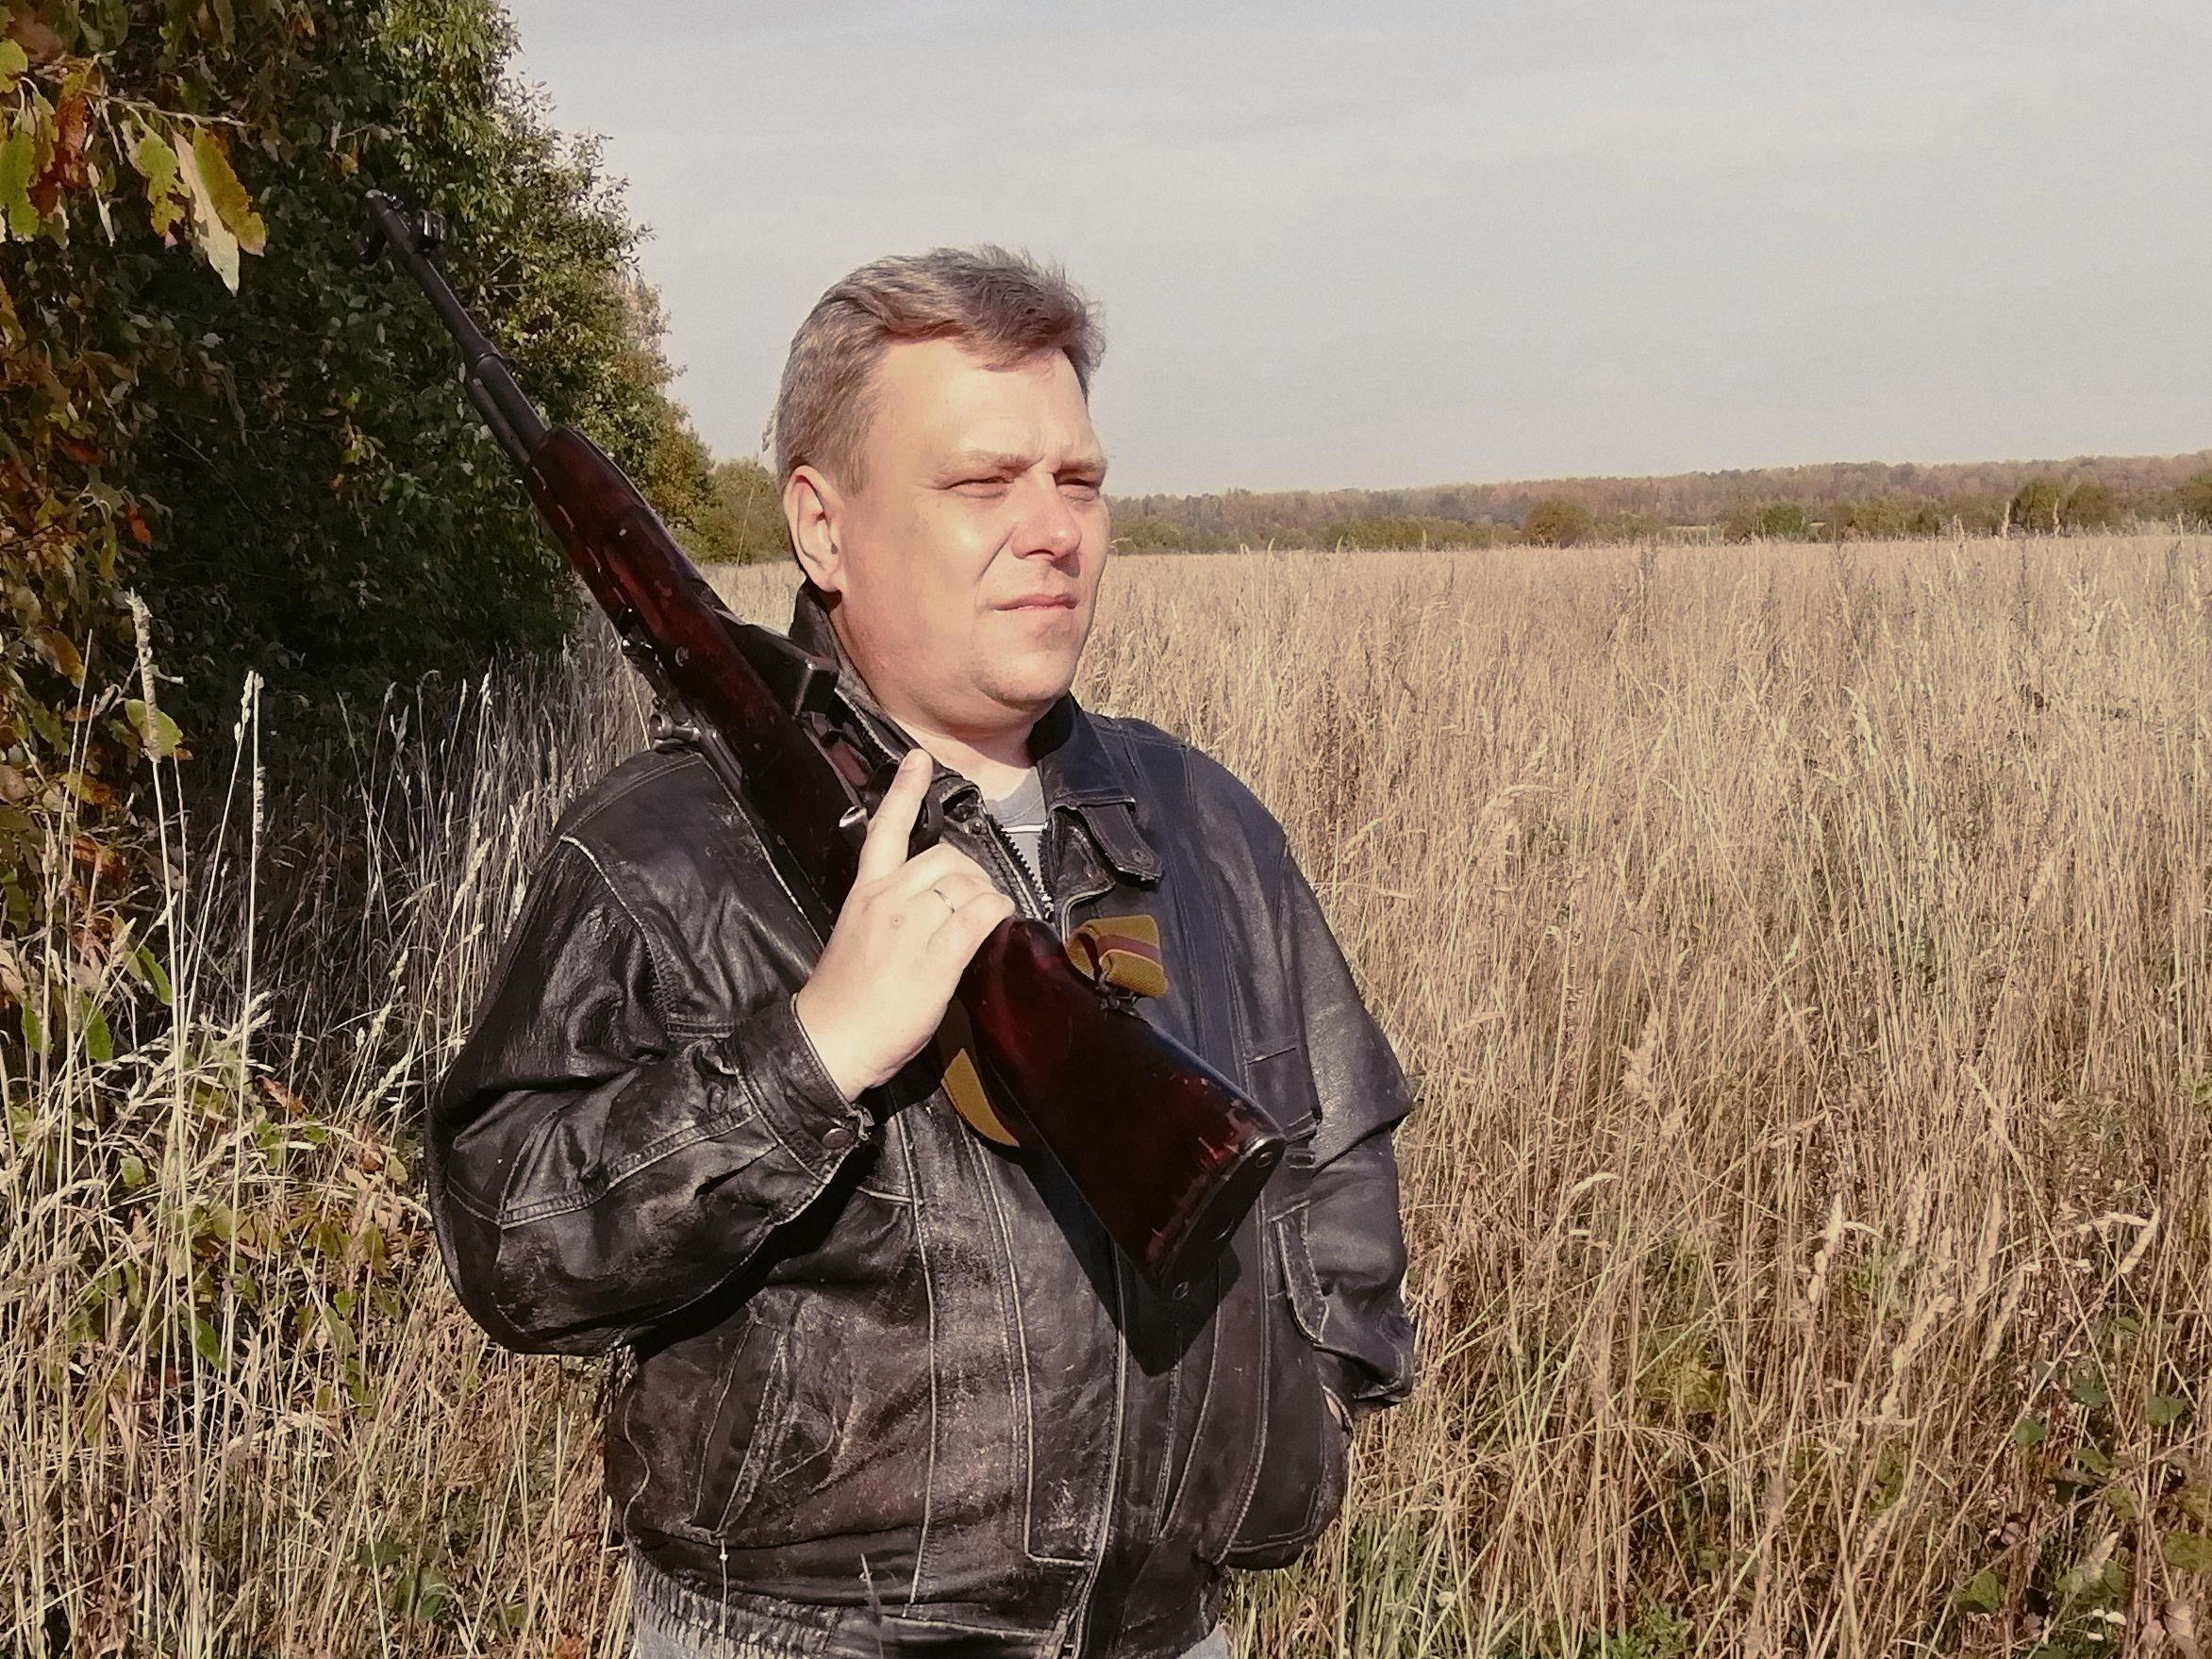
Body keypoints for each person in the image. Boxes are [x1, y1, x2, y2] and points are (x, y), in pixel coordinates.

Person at [425, 246, 1417, 1659]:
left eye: (1077, 481)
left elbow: (1339, 1146)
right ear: (822, 529)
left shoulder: (1200, 821)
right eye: (981, 482)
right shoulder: (662, 849)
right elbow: (513, 1245)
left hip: (1167, 1636)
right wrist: (808, 1056)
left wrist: (1313, 1405)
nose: (1053, 530)